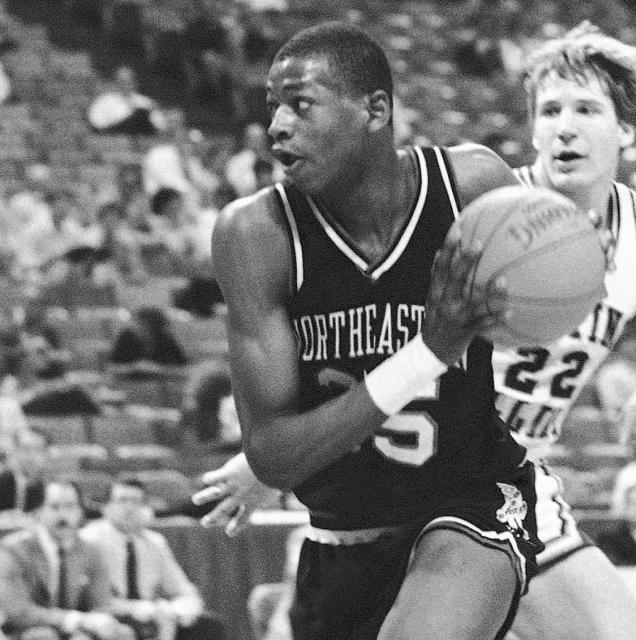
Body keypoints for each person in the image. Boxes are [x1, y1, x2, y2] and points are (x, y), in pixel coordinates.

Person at [194, 22, 636, 640]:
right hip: (400, 479)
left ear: (628, 130)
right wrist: (270, 461)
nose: (564, 128)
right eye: (549, 111)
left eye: (585, 110)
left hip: (506, 482)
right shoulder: (482, 209)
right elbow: (365, 333)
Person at [205, 21, 544, 640]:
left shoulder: (470, 187)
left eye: (300, 105)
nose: (277, 126)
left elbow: (546, 297)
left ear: (375, 110)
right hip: (341, 535)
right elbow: (275, 455)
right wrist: (428, 354)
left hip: (472, 502)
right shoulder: (257, 236)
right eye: (273, 107)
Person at [79, 479, 224, 640]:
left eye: (136, 502)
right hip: (109, 615)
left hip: (152, 615)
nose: (129, 508)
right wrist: (140, 609)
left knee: (208, 625)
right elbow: (94, 600)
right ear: (106, 507)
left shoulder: (155, 543)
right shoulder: (90, 539)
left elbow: (184, 591)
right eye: (122, 501)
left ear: (145, 508)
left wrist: (178, 610)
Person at [0, 479, 135, 640]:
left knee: (121, 633)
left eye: (70, 507)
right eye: (54, 507)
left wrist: (91, 626)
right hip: (26, 630)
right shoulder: (14, 550)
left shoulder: (91, 551)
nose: (63, 515)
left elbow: (102, 603)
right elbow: (18, 611)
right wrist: (73, 620)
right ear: (39, 511)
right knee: (43, 636)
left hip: (77, 629)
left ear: (80, 512)